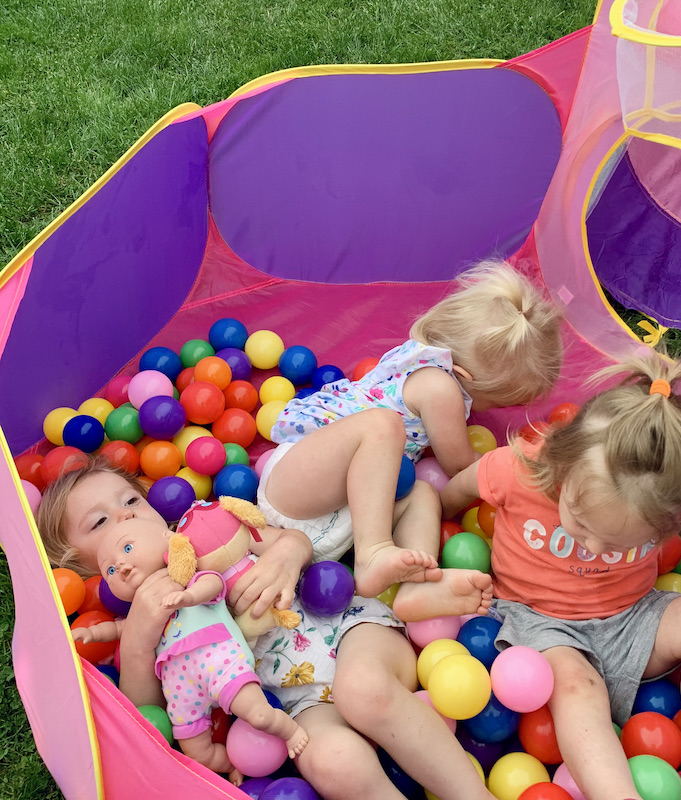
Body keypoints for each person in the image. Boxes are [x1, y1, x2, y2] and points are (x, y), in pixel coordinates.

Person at [37, 458, 499, 800]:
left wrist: (287, 555)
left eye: (131, 501)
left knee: (362, 689)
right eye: (100, 522)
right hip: (295, 701)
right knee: (330, 761)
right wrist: (139, 634)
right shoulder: (127, 619)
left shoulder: (204, 527)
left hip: (347, 631)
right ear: (84, 568)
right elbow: (149, 717)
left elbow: (289, 540)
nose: (124, 517)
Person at [440, 356, 681, 800]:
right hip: (541, 622)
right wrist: (432, 534)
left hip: (632, 618)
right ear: (562, 463)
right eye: (581, 526)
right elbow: (455, 491)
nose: (596, 549)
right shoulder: (518, 469)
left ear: (675, 521)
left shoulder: (660, 502)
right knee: (575, 686)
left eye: (619, 543)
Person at [261, 259, 563, 619]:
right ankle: (374, 555)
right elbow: (458, 464)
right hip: (296, 489)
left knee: (422, 494)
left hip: (345, 523)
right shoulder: (440, 386)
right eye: (497, 402)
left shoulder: (417, 356)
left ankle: (418, 584)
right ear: (463, 376)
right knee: (383, 426)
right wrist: (514, 464)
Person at [70, 515, 309, 786]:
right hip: (181, 691)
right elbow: (118, 630)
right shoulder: (137, 614)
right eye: (110, 570)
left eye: (127, 548)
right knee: (196, 753)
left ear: (167, 538)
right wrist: (91, 634)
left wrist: (188, 596)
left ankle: (290, 731)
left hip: (220, 664)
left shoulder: (191, 576)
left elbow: (214, 584)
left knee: (259, 715)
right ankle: (231, 764)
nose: (121, 566)